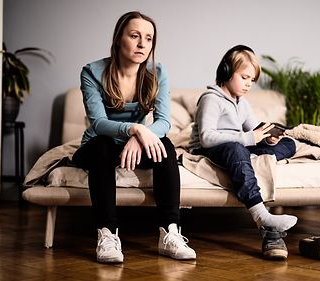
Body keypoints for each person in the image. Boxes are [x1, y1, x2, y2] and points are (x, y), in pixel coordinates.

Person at [72, 11, 196, 263]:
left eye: (148, 38)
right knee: (104, 146)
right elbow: (98, 122)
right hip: (98, 146)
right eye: (135, 36)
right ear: (119, 39)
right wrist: (135, 129)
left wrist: (141, 136)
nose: (142, 44)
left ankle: (170, 232)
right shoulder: (92, 72)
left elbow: (164, 121)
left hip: (135, 147)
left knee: (167, 147)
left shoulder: (157, 72)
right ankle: (107, 235)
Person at [188, 45, 297, 259]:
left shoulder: (242, 102)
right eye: (245, 77)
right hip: (211, 148)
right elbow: (207, 137)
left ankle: (246, 159)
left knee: (289, 144)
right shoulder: (211, 99)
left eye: (252, 80)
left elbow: (253, 129)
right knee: (237, 149)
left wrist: (267, 136)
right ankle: (261, 214)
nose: (249, 84)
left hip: (237, 146)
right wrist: (249, 139)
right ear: (227, 72)